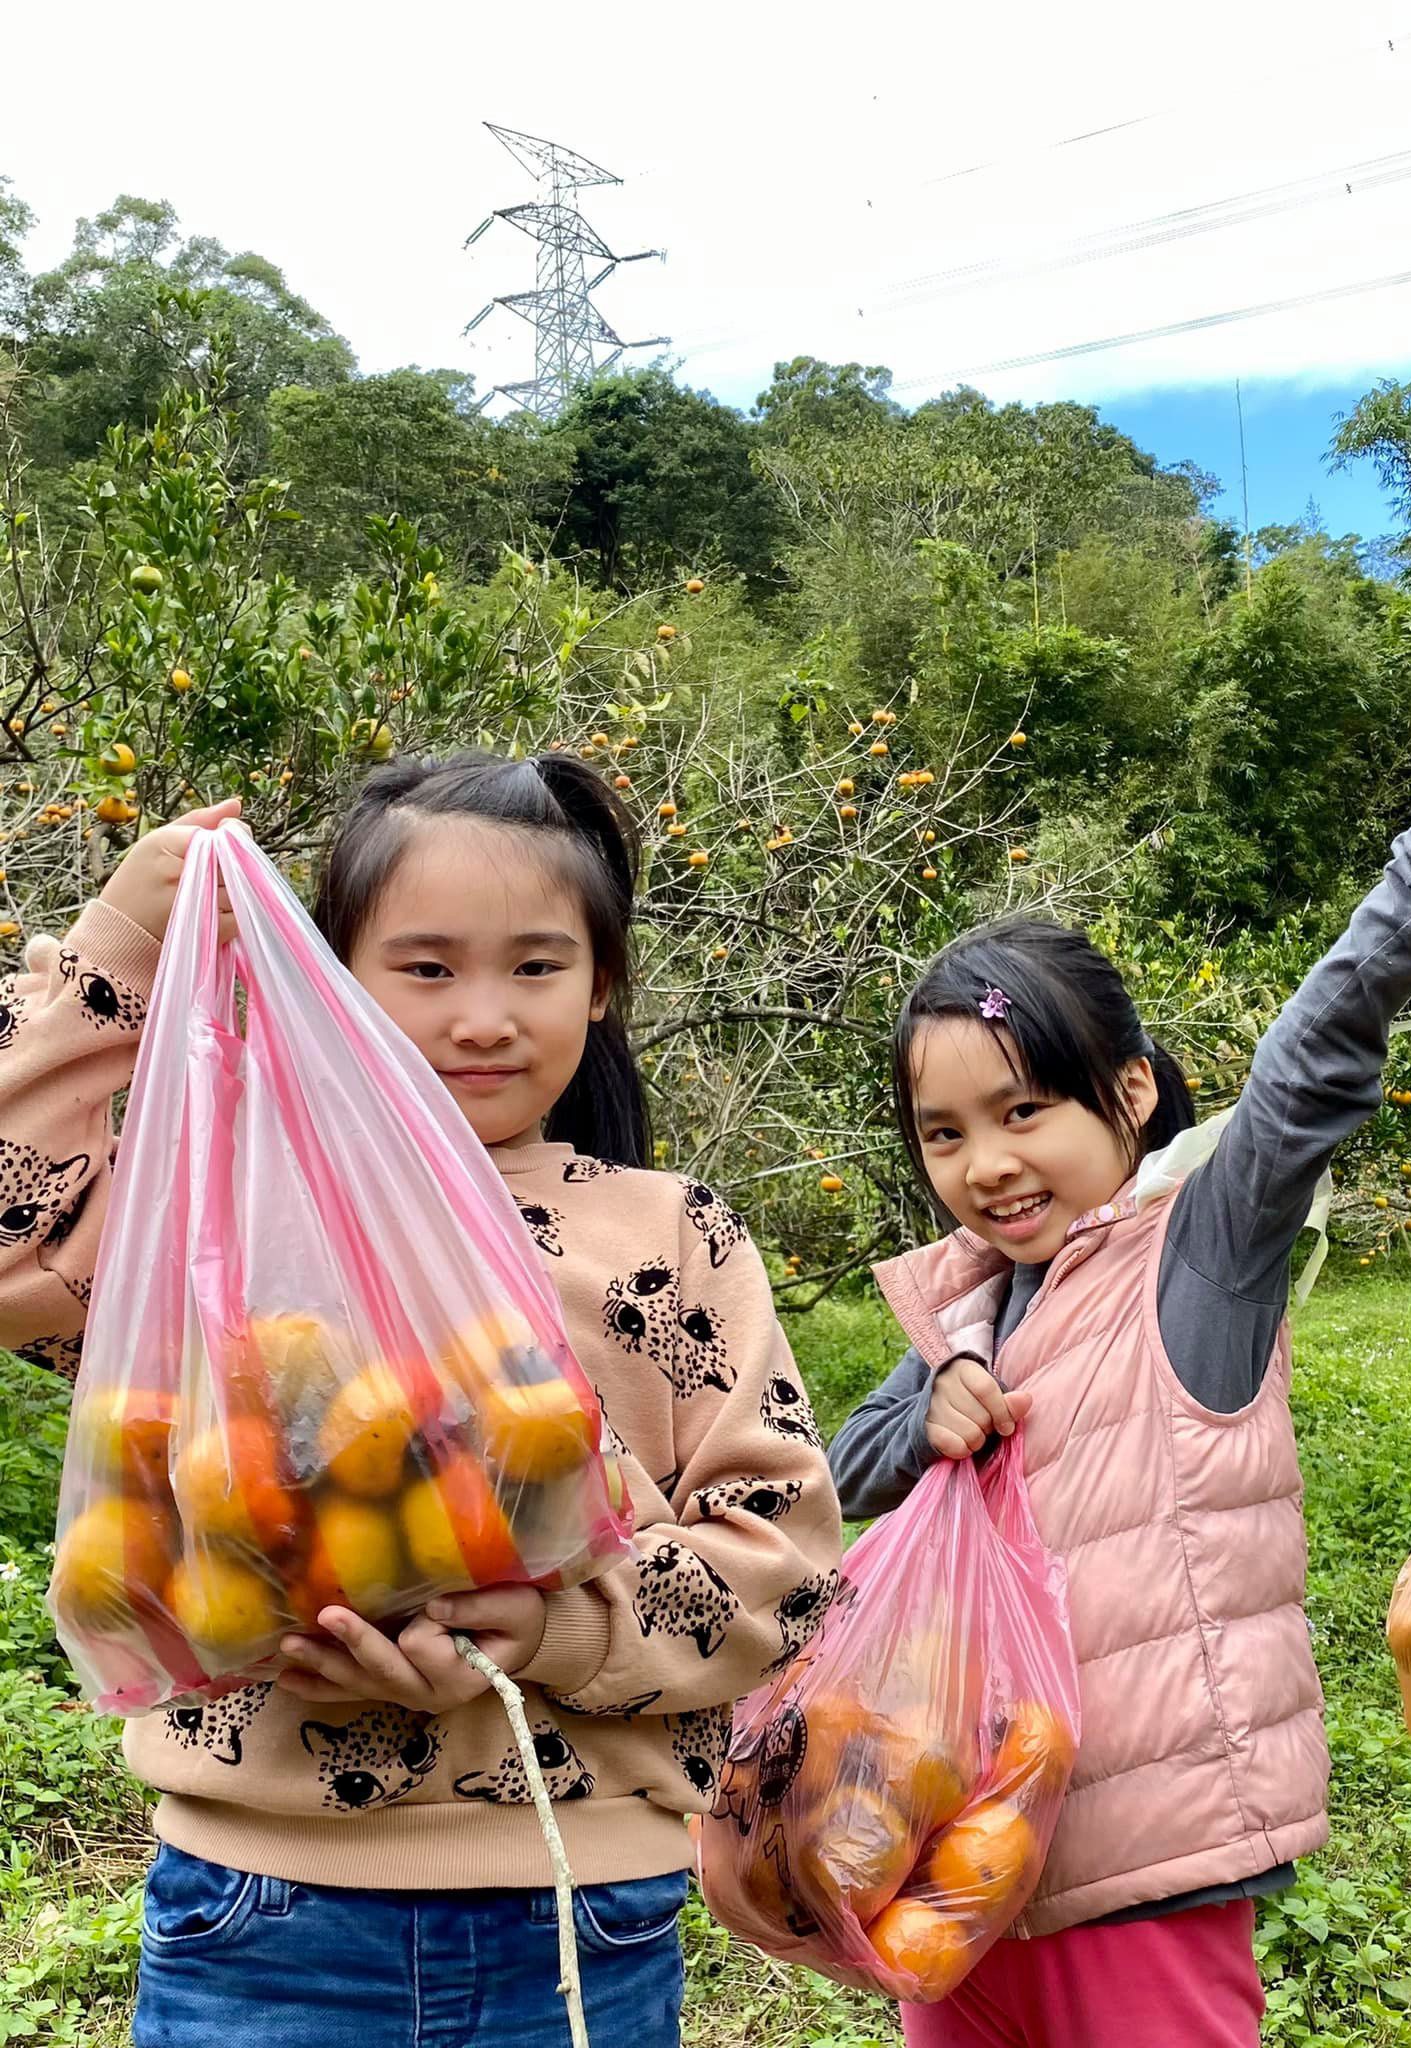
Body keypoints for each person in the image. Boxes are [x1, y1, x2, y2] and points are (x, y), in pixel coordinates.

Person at [827, 598, 1411, 2047]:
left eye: (1023, 1110)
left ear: (1131, 1095)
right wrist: (929, 1407)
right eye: (944, 1132)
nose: (985, 1163)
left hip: (1147, 1859)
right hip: (961, 1858)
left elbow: (1321, 1042)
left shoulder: (1202, 1256)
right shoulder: (962, 1301)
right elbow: (842, 1469)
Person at [0, 753, 842, 2046]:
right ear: (327, 973)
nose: (485, 1016)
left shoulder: (672, 1237)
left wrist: (553, 1628)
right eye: (429, 966)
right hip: (266, 1913)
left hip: (579, 1915)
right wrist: (123, 941)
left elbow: (784, 1568)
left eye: (538, 966)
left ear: (603, 984)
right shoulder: (233, 1217)